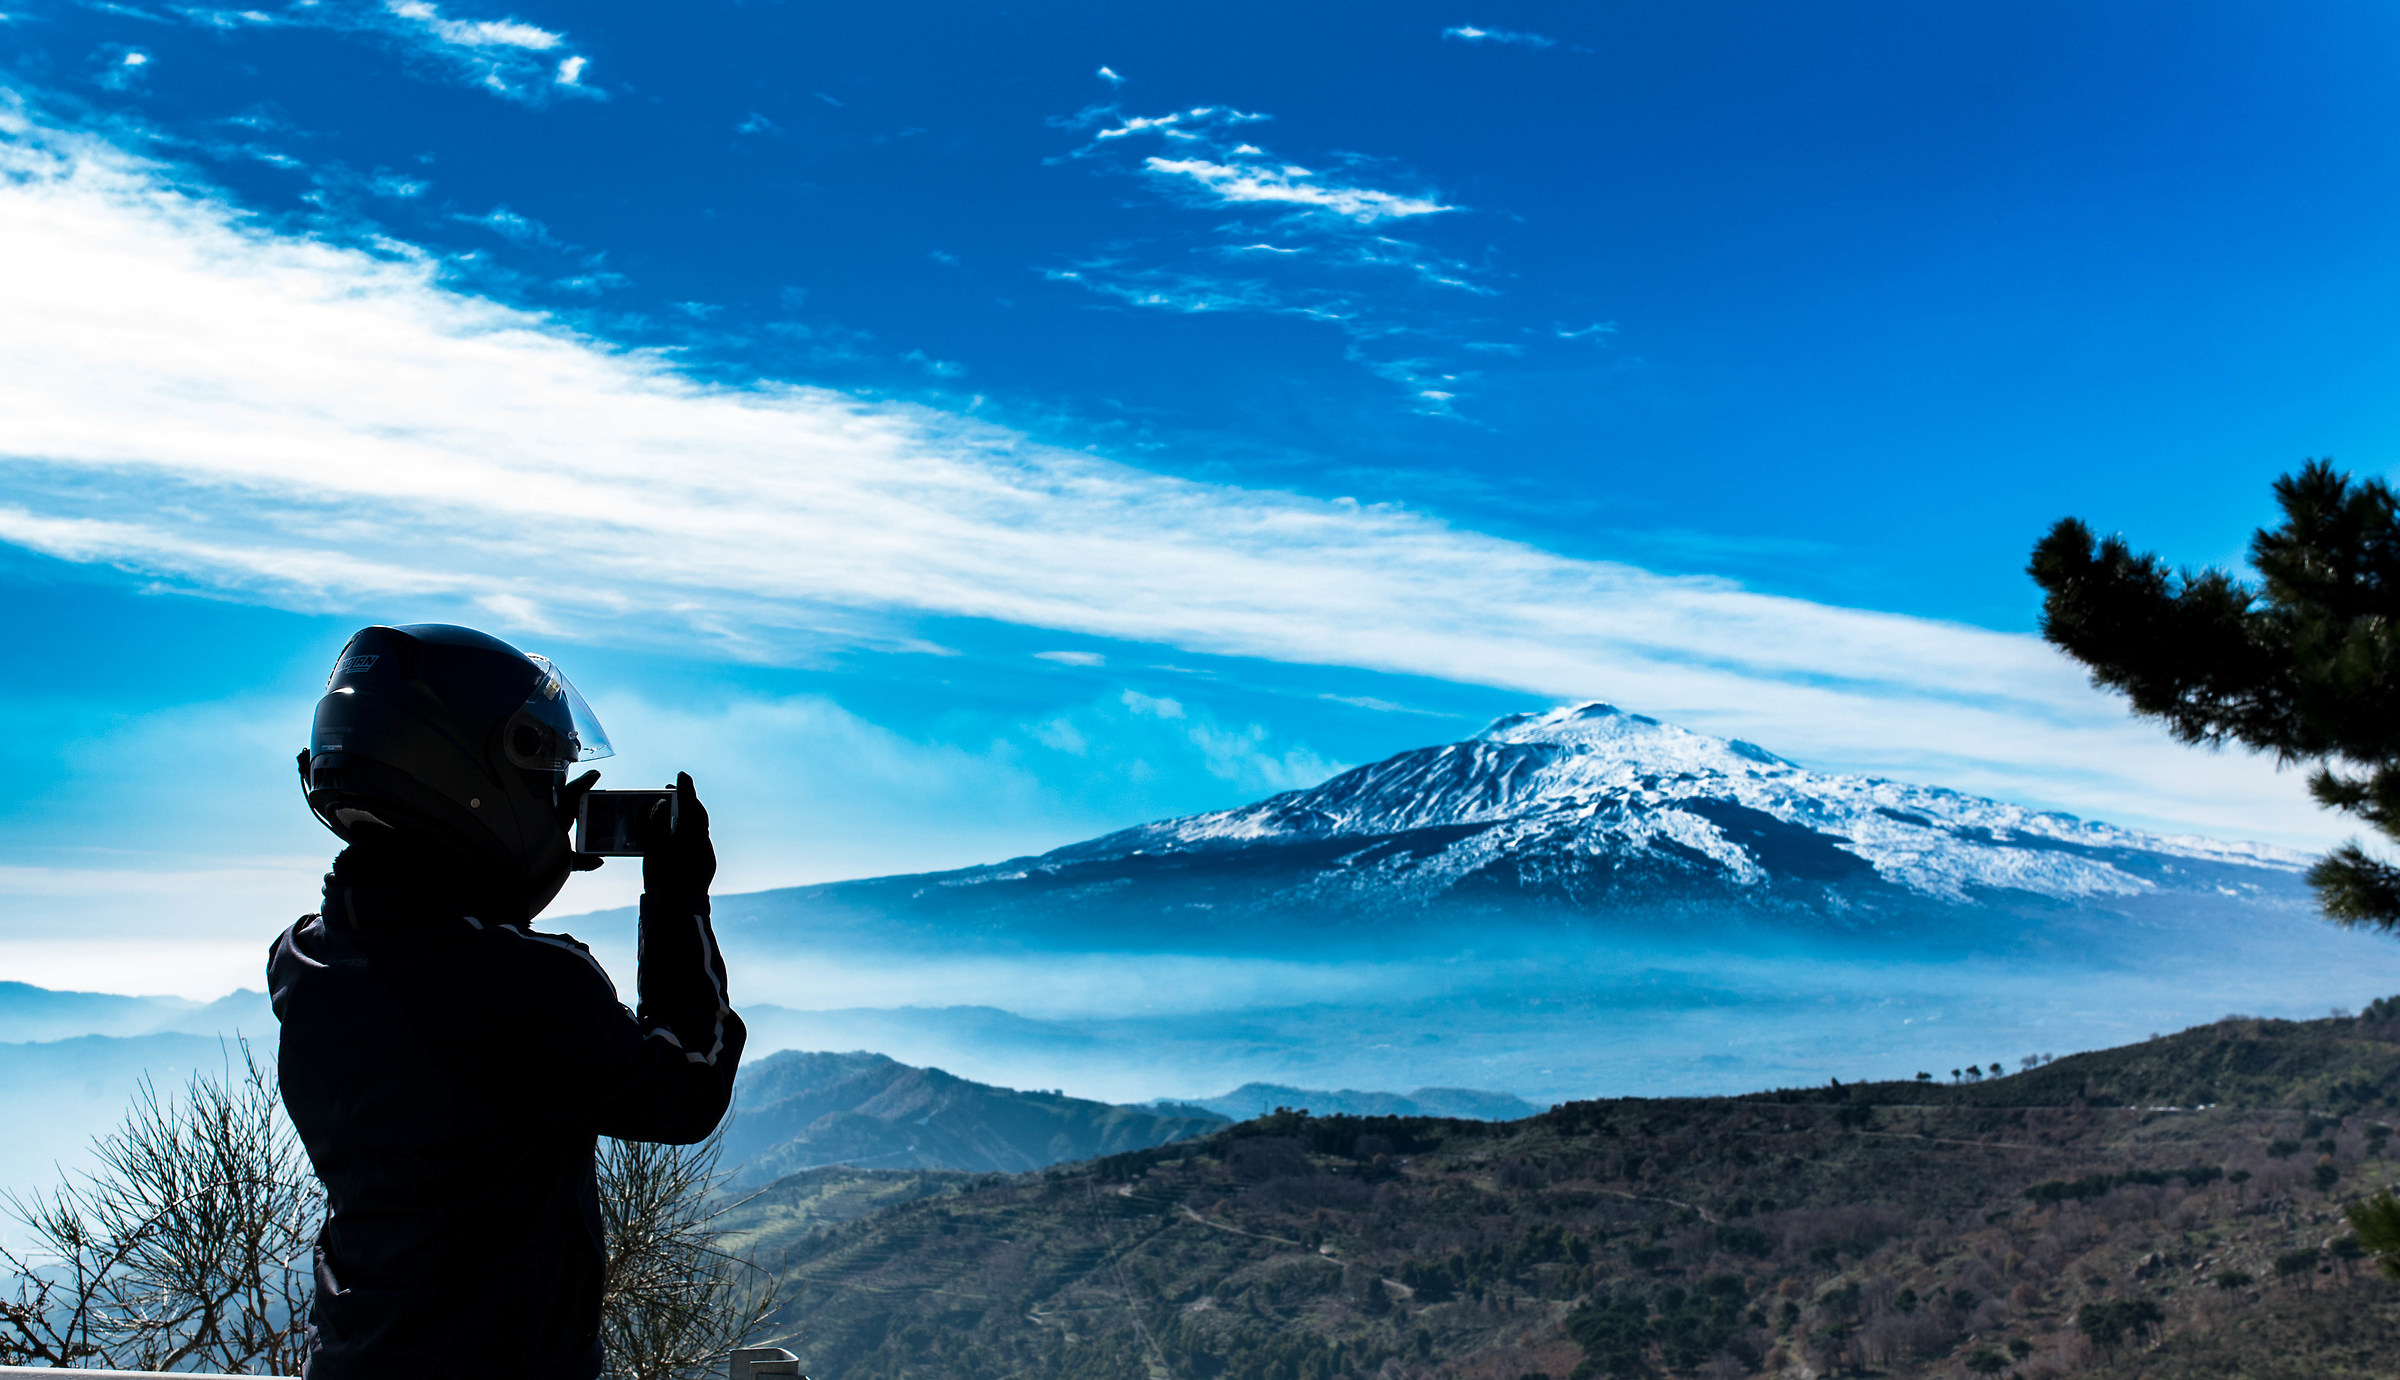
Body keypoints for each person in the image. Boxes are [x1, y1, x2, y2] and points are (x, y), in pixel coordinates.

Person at [268, 624, 747, 1380]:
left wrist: (532, 855)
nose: (555, 798)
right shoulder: (528, 984)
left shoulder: (306, 962)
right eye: (545, 776)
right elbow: (687, 1087)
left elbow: (431, 939)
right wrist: (678, 896)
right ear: (477, 771)